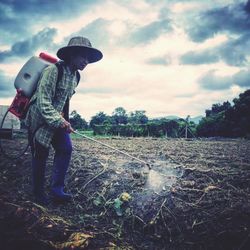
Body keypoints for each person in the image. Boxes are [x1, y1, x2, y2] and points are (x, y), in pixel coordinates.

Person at [25, 37, 103, 205]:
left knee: (66, 148)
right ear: (72, 54)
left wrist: (65, 121)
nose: (86, 61)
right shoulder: (53, 71)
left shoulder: (76, 77)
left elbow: (64, 101)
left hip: (57, 119)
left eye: (89, 58)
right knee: (40, 155)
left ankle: (57, 190)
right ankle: (38, 194)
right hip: (39, 119)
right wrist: (58, 120)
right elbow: (43, 101)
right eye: (83, 56)